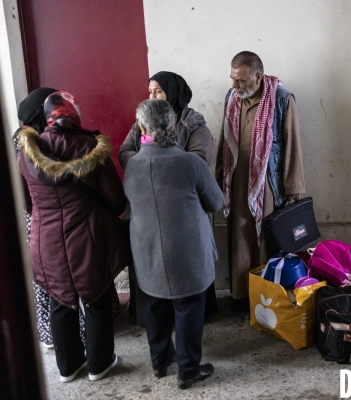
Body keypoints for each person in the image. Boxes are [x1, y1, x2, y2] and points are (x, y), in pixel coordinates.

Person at [18, 91, 130, 382]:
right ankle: (100, 364)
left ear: (47, 117)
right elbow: (116, 200)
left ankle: (68, 367)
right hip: (88, 238)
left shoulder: (28, 152)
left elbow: (27, 202)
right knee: (96, 298)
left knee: (59, 299)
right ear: (74, 113)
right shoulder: (91, 147)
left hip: (46, 241)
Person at [123, 99, 223, 389]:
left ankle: (159, 363)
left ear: (142, 127)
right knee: (189, 307)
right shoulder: (190, 163)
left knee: (154, 307)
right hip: (187, 253)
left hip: (147, 251)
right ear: (174, 126)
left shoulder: (132, 166)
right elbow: (216, 201)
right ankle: (188, 370)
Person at [119, 71, 217, 323]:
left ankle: (168, 352)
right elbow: (126, 151)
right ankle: (179, 353)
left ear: (173, 93)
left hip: (183, 213)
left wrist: (164, 161)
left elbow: (199, 160)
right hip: (149, 211)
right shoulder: (141, 122)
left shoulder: (193, 124)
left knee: (187, 285)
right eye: (150, 91)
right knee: (153, 285)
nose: (153, 96)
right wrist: (148, 163)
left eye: (159, 91)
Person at [216, 51, 305, 310]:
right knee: (240, 238)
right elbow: (225, 141)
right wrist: (220, 176)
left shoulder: (281, 99)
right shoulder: (231, 98)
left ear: (258, 76)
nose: (235, 86)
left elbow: (292, 145)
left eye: (241, 81)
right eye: (233, 79)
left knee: (265, 241)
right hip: (236, 180)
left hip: (266, 183)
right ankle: (243, 297)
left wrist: (293, 187)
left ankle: (267, 299)